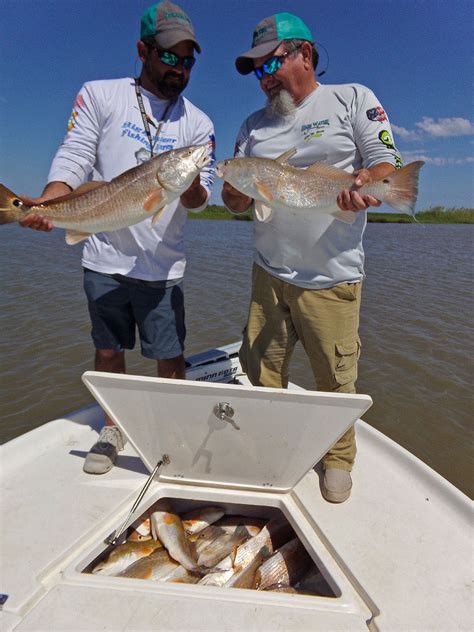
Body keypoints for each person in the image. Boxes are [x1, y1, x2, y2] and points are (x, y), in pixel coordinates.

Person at [20, 1, 215, 475]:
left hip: (163, 265)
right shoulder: (101, 94)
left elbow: (199, 199)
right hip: (102, 253)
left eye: (188, 60)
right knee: (108, 350)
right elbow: (75, 155)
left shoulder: (199, 124)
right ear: (143, 50)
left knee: (169, 354)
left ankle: (168, 433)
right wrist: (47, 204)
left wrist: (191, 183)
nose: (180, 68)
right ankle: (114, 427)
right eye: (170, 56)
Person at [222, 12, 402, 503]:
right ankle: (271, 446)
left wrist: (368, 184)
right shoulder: (251, 127)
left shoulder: (352, 98)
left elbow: (387, 160)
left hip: (332, 276)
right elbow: (234, 203)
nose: (263, 79)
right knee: (261, 369)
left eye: (269, 65)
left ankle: (339, 457)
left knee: (334, 379)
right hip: (269, 274)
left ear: (303, 53)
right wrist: (236, 189)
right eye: (255, 71)